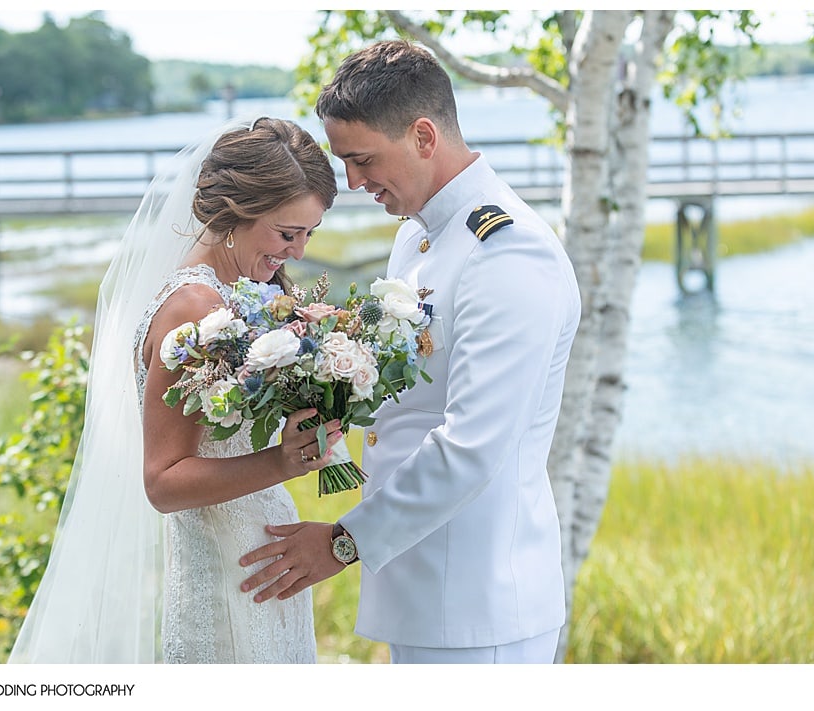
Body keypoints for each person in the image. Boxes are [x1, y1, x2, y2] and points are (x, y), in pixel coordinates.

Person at [239, 40, 582, 664]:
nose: (353, 182)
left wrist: (343, 542)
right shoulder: (418, 241)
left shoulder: (506, 254)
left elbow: (472, 444)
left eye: (363, 159)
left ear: (424, 135)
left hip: (480, 601)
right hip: (426, 588)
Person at [8, 116, 342, 664]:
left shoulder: (243, 295)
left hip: (260, 560)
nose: (300, 253)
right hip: (228, 572)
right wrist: (282, 462)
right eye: (288, 233)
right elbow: (162, 481)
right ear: (235, 214)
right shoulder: (194, 308)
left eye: (310, 233)